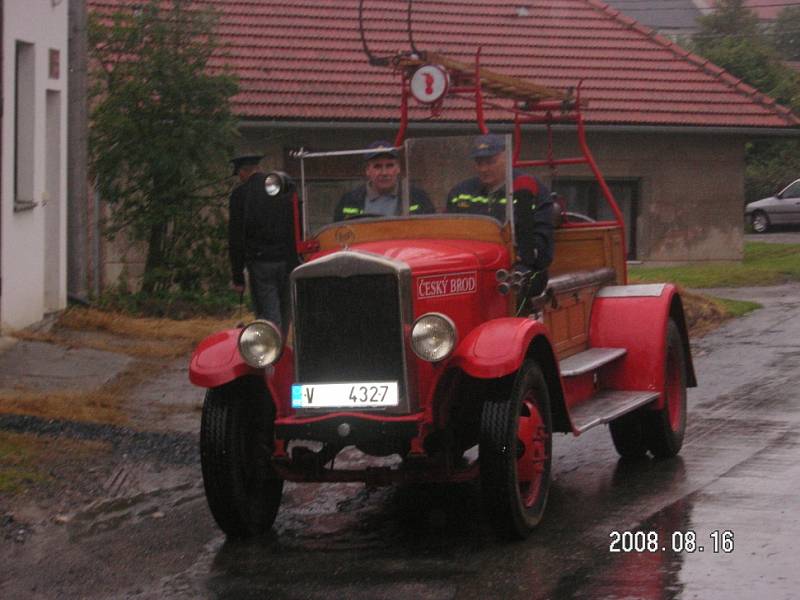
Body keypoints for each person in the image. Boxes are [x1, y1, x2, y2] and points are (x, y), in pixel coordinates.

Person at [446, 134, 554, 295]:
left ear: (507, 158)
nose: (483, 168)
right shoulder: (459, 192)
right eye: (479, 163)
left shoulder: (530, 189)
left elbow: (541, 246)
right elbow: (448, 236)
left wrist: (522, 260)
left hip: (516, 273)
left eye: (490, 162)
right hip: (469, 272)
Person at [228, 154, 298, 333]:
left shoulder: (240, 194)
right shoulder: (282, 188)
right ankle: (282, 349)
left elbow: (236, 236)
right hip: (288, 261)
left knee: (268, 317)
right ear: (258, 168)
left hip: (261, 263)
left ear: (243, 172)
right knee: (285, 311)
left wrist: (237, 276)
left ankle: (271, 356)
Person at [333, 140, 435, 221]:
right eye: (377, 166)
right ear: (368, 170)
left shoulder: (418, 197)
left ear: (398, 168)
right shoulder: (349, 201)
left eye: (389, 166)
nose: (384, 172)